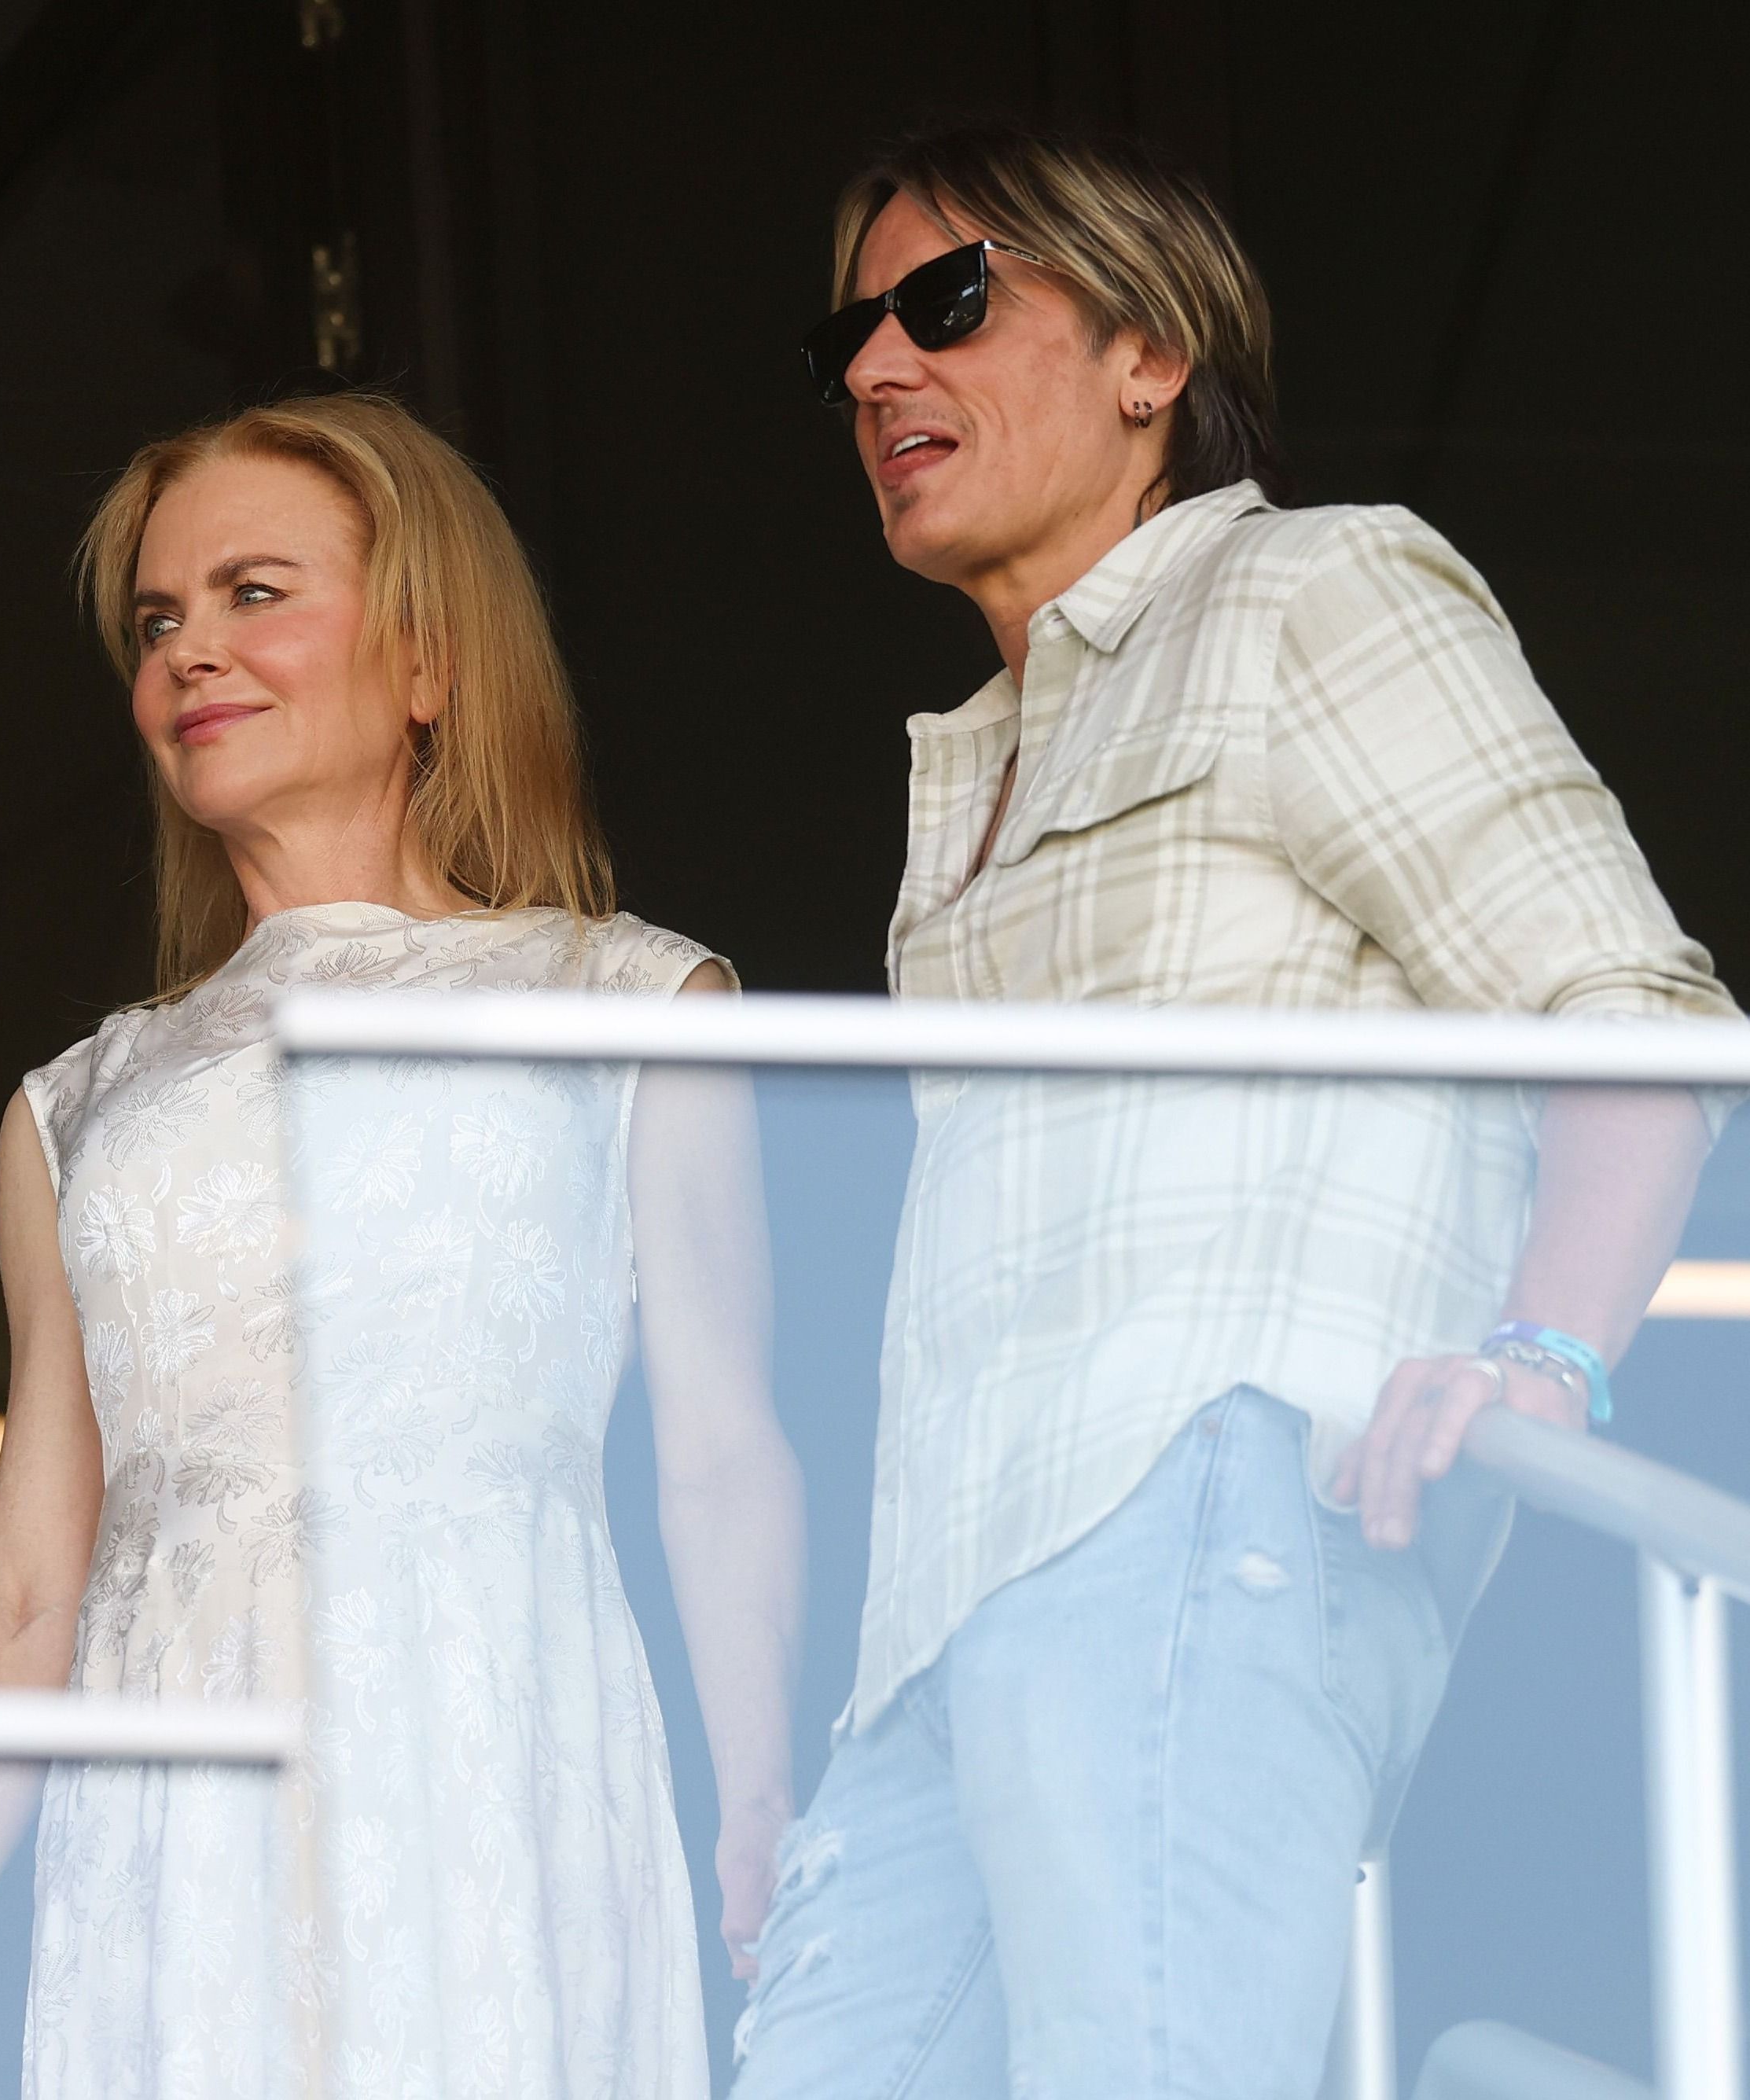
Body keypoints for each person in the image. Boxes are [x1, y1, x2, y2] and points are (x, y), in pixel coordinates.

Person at [729, 121, 1737, 2100]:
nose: (877, 368)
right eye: (850, 336)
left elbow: (1636, 1011)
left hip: (1206, 1496)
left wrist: (1540, 1358)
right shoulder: (973, 768)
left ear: (1149, 353)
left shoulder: (1308, 585)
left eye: (948, 302)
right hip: (938, 1617)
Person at [0, 391, 804, 2100]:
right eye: (157, 621)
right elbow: (28, 1589)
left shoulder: (632, 1002)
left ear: (426, 660)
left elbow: (720, 1453)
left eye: (253, 592)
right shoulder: (76, 1108)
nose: (189, 652)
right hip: (171, 1846)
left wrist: (761, 1795)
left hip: (494, 1779)